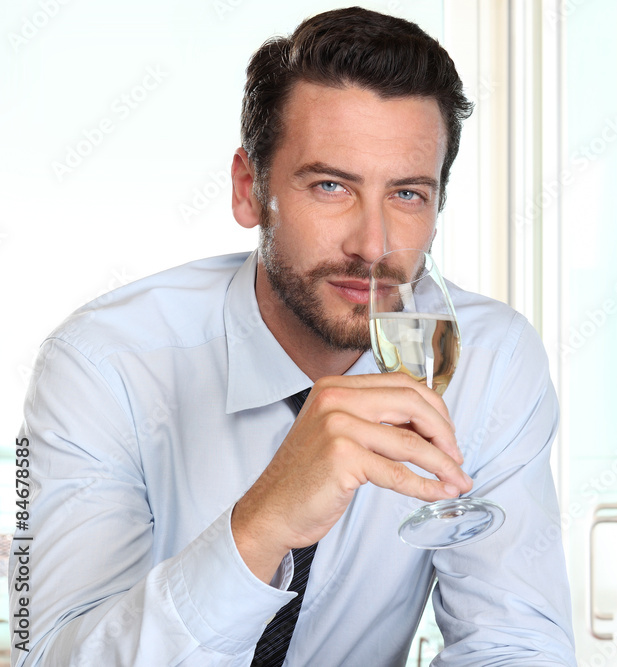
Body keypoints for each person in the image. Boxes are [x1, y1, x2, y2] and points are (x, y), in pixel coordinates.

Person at [9, 7, 575, 666]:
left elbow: (515, 646)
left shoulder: (492, 361)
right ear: (250, 190)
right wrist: (261, 524)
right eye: (331, 185)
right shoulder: (102, 363)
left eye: (408, 194)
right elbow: (46, 656)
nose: (373, 245)